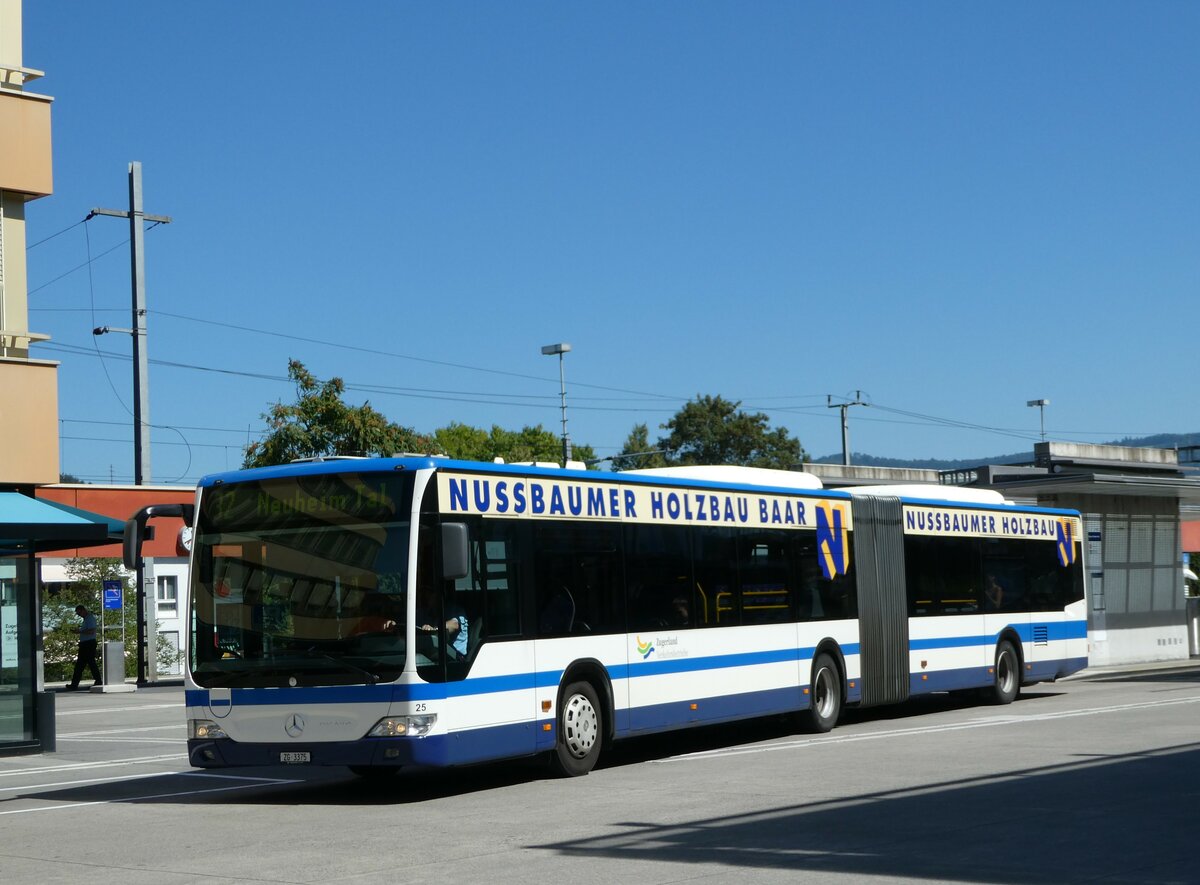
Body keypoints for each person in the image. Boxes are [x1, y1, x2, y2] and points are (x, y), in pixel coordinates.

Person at [65, 605, 101, 690]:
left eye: (79, 613)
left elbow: (91, 631)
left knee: (90, 663)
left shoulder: (90, 618)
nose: (79, 615)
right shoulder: (86, 619)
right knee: (80, 665)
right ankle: (74, 684)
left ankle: (98, 681)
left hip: (89, 644)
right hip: (85, 644)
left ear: (83, 610)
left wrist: (80, 631)